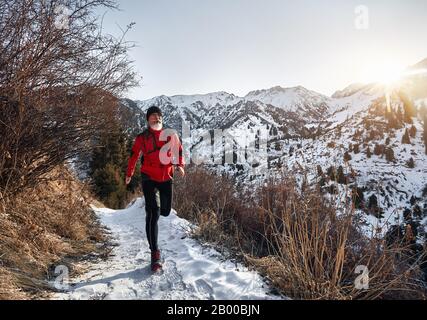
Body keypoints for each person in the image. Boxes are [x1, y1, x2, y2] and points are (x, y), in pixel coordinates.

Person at [125, 106, 185, 272]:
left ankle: (152, 219)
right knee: (154, 212)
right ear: (147, 120)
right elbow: (134, 155)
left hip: (166, 177)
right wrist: (129, 173)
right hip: (148, 176)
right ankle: (155, 253)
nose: (156, 118)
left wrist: (179, 164)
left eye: (158, 116)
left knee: (165, 211)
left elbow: (178, 150)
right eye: (153, 116)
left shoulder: (170, 135)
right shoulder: (142, 138)